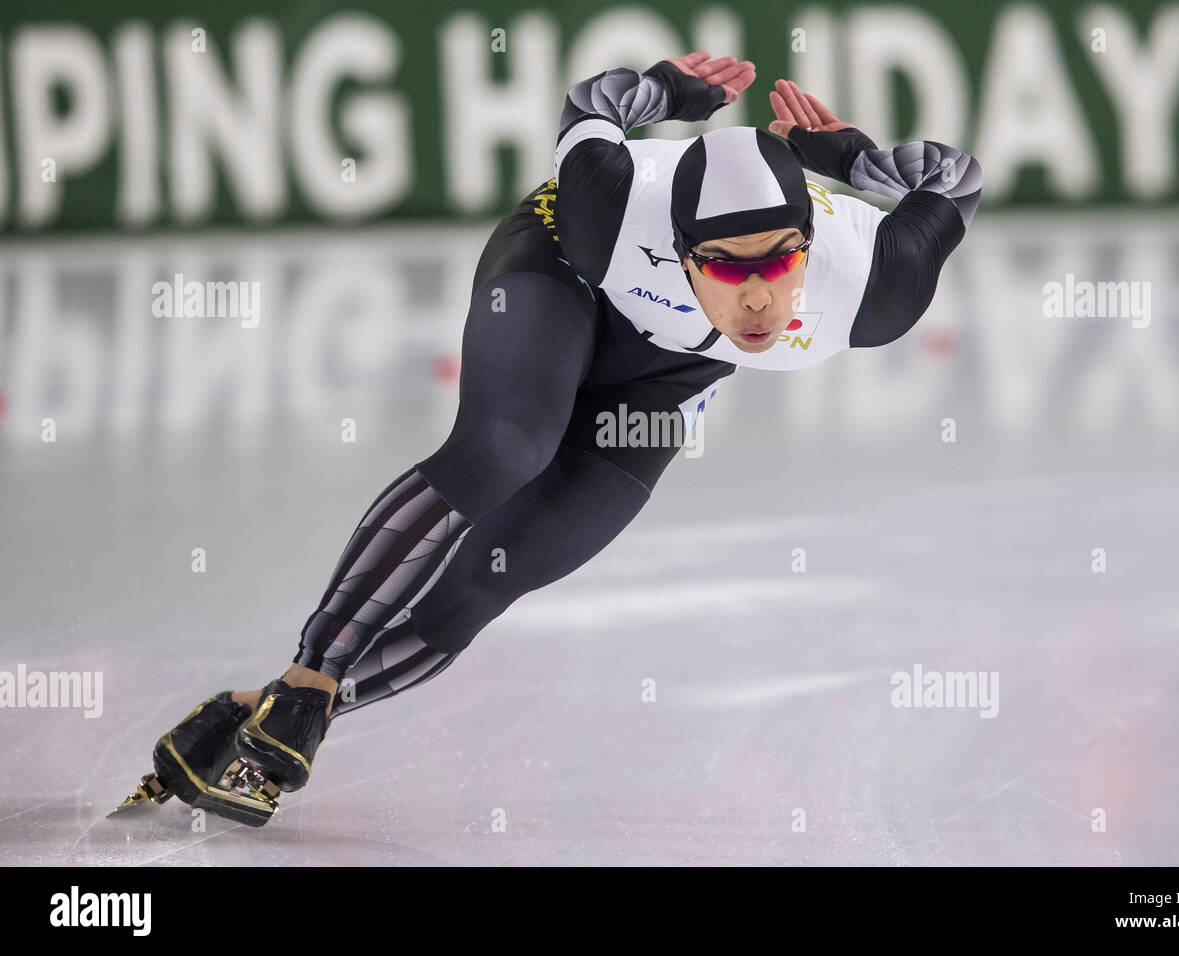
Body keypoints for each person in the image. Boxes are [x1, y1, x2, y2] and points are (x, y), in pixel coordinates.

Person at [115, 52, 982, 826]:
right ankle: (308, 682)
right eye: (724, 264)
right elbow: (591, 103)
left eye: (778, 260)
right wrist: (667, 89)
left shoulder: (874, 283)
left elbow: (956, 180)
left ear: (810, 246)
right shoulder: (612, 201)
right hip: (561, 268)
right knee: (507, 447)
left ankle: (250, 713)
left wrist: (851, 157)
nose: (758, 297)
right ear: (679, 253)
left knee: (491, 583)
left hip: (668, 376)